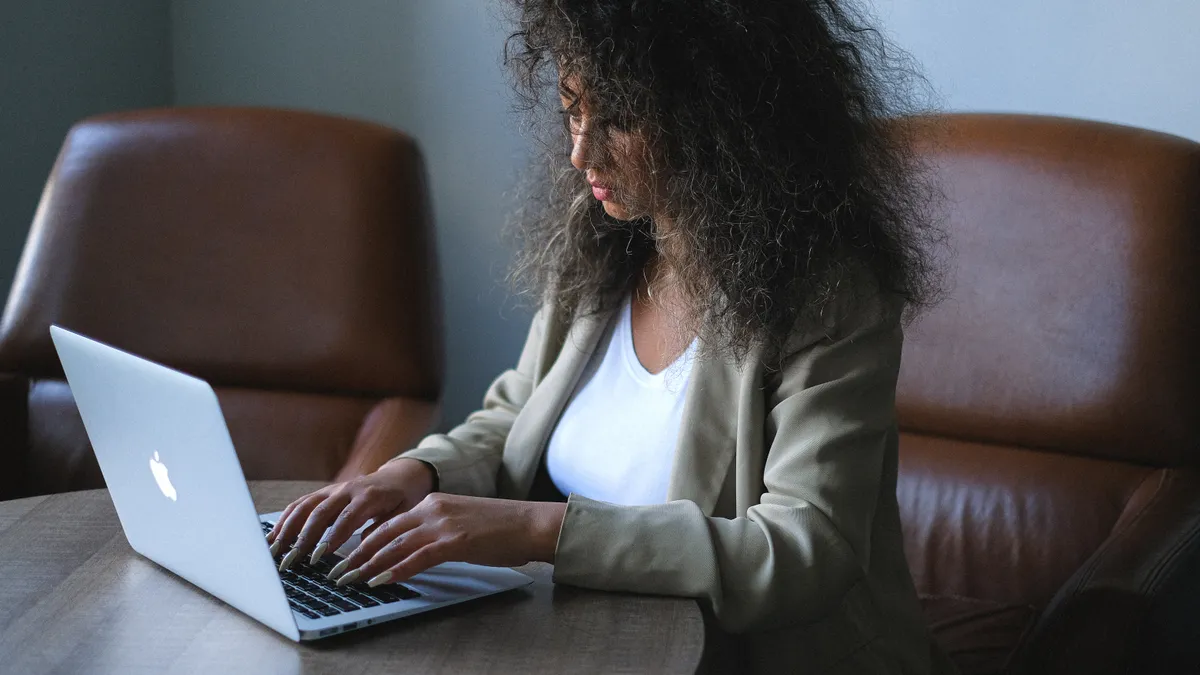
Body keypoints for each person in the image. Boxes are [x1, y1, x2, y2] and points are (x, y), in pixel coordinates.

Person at [268, 0, 954, 672]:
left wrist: (536, 531)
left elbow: (805, 549)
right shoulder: (602, 241)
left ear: (724, 114)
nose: (579, 152)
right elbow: (514, 416)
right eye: (572, 108)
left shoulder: (831, 294)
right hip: (589, 639)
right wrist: (411, 475)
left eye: (620, 117)